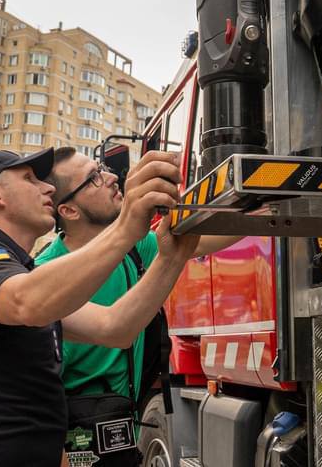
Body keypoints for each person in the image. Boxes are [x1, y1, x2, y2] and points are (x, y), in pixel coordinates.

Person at [0, 147, 190, 467]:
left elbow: (114, 328)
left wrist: (172, 258)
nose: (47, 188)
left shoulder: (25, 275)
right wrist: (125, 227)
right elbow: (26, 302)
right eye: (29, 179)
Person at [35, 147, 239, 464]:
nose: (111, 177)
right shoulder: (44, 275)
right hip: (72, 442)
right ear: (69, 211)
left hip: (121, 431)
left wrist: (254, 189)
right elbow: (37, 398)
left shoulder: (134, 248)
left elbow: (210, 237)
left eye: (102, 167)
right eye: (93, 178)